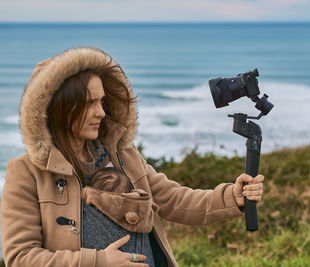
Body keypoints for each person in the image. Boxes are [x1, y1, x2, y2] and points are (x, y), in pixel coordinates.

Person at [1, 47, 264, 267]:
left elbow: (173, 199)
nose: (100, 112)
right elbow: (20, 257)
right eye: (89, 103)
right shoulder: (25, 172)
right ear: (61, 108)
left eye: (102, 102)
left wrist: (232, 198)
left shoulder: (123, 154)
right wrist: (99, 261)